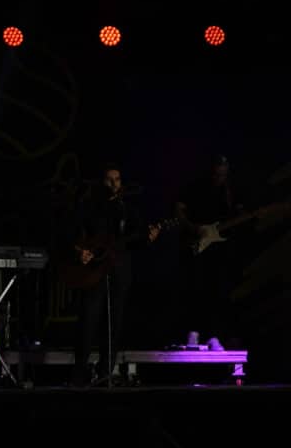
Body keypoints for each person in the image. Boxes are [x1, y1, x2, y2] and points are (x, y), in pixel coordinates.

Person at [55, 163, 160, 386]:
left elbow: (134, 240)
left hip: (118, 271)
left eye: (117, 179)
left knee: (114, 324)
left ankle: (105, 373)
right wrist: (79, 252)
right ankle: (79, 374)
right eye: (109, 180)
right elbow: (67, 233)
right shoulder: (89, 206)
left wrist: (148, 237)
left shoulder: (127, 209)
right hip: (94, 272)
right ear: (101, 183)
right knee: (88, 321)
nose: (114, 184)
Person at [173, 154, 249, 351]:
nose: (219, 178)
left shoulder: (230, 191)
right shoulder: (196, 187)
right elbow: (179, 210)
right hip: (198, 244)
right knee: (196, 288)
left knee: (217, 290)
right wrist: (194, 228)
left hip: (220, 249)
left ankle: (213, 334)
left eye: (223, 174)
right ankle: (193, 332)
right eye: (216, 174)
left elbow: (239, 214)